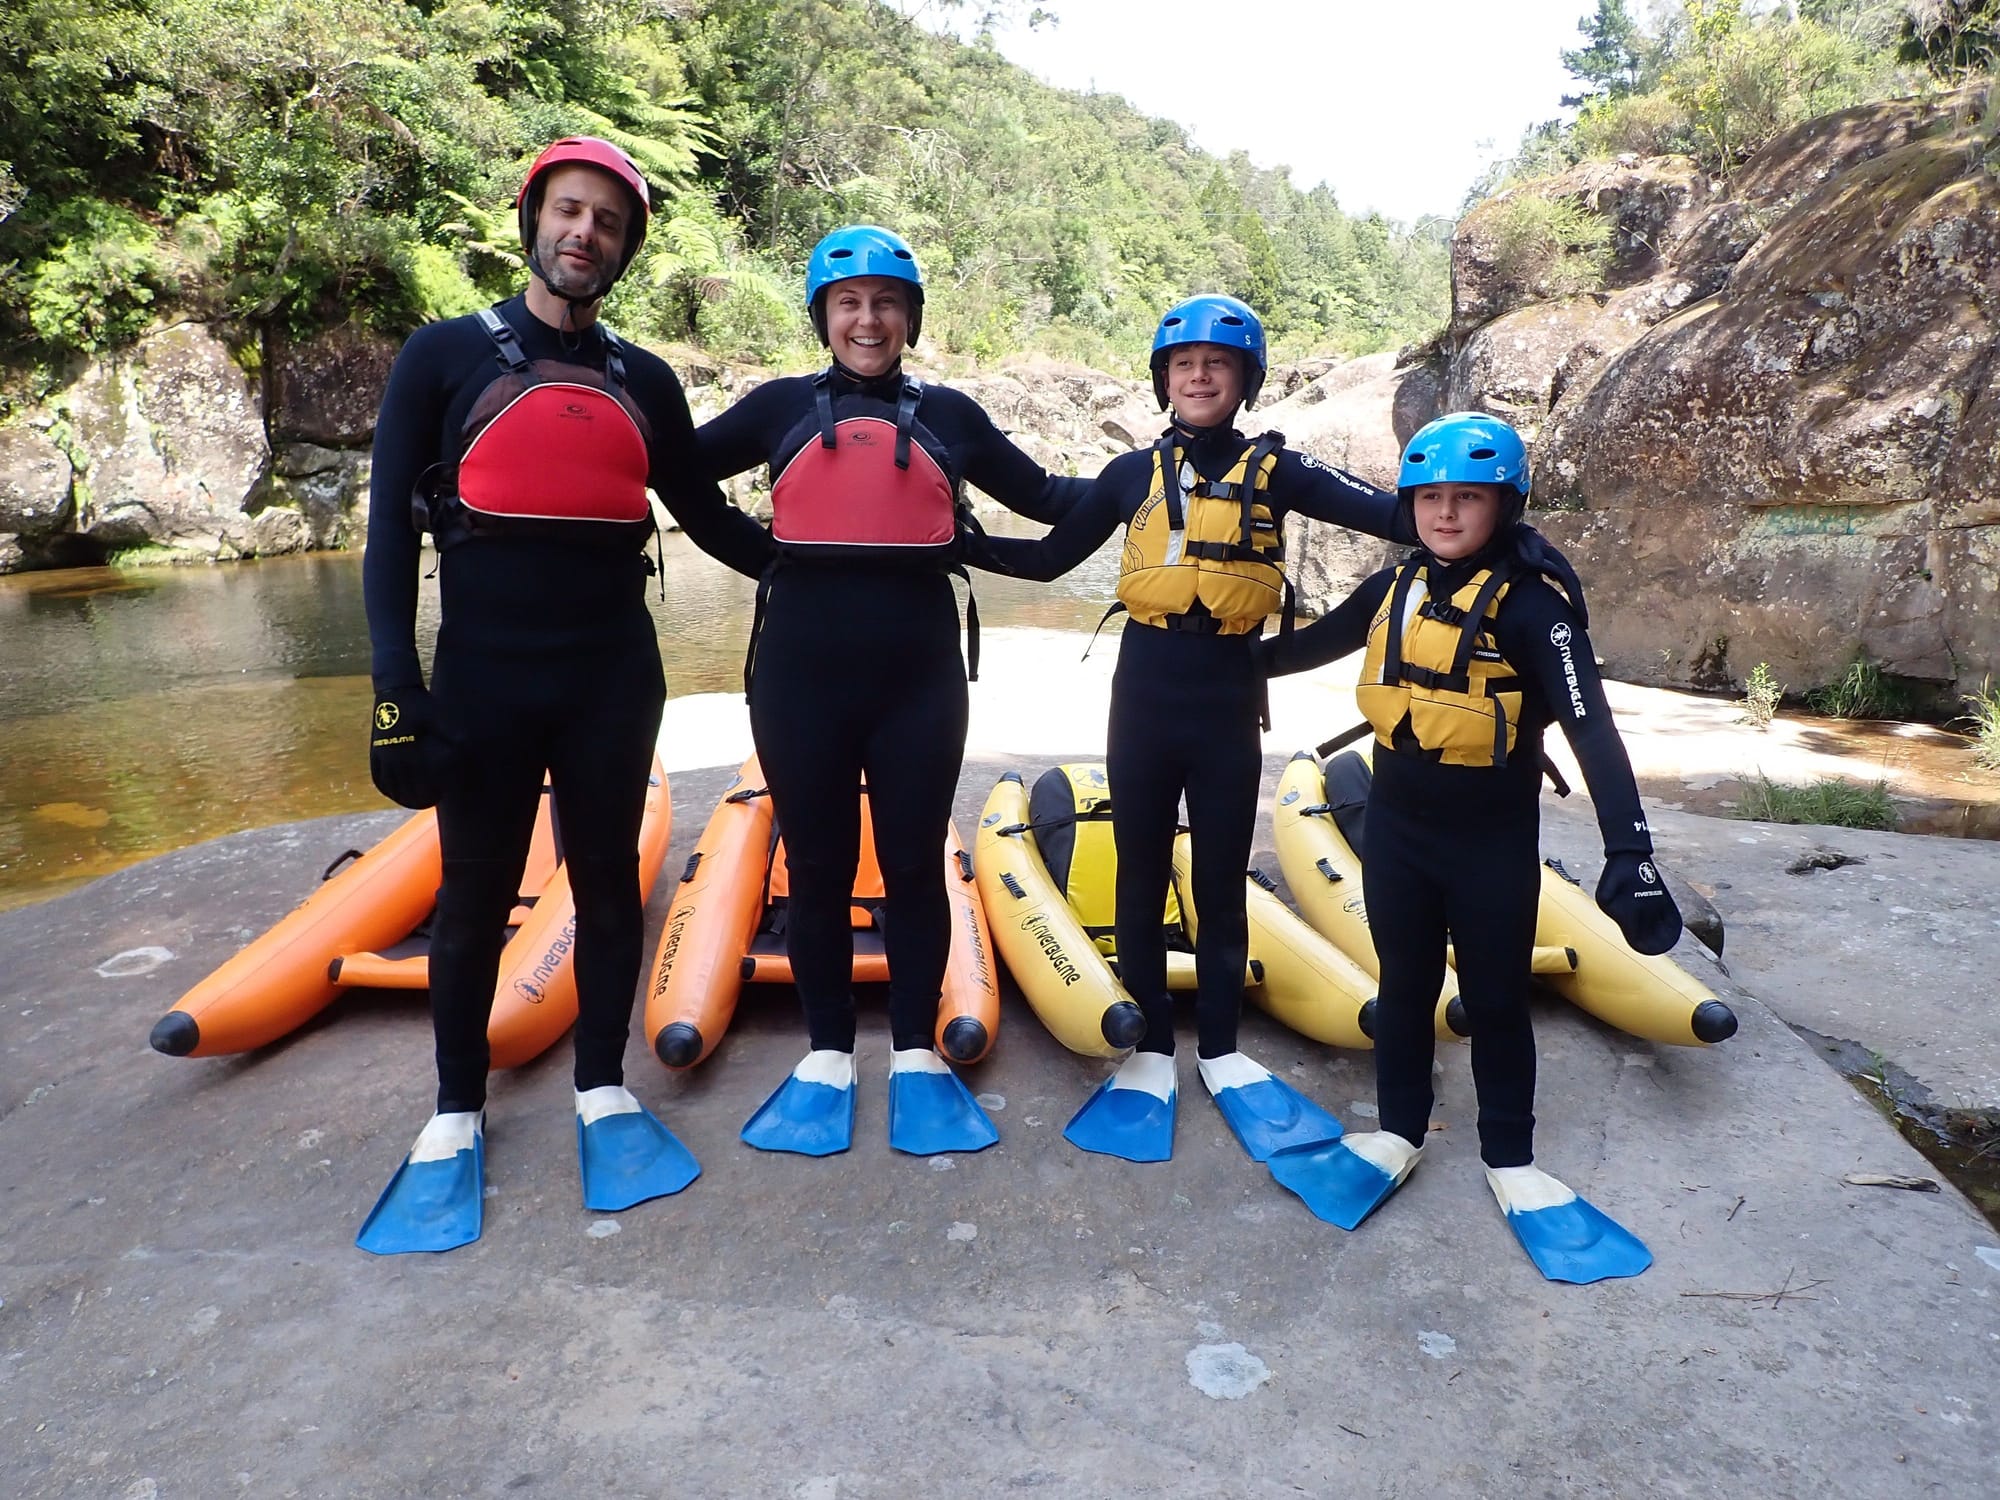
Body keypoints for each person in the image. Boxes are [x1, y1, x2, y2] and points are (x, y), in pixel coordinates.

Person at [356, 137, 774, 1254]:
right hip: (483, 678)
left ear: (624, 250)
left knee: (604, 885)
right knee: (473, 894)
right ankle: (455, 1110)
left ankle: (601, 1085)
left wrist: (815, 568)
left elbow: (706, 513)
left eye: (607, 223)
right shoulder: (443, 355)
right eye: (569, 212)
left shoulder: (646, 380)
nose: (584, 233)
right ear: (533, 218)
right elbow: (389, 537)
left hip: (609, 677)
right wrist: (395, 691)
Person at [973, 294, 1412, 1165]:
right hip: (1145, 689)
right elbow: (1049, 558)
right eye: (1185, 364)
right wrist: (953, 544)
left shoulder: (1280, 472)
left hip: (1226, 695)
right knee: (1139, 870)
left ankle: (1219, 1047)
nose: (1200, 376)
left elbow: (1403, 517)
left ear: (1245, 380)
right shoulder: (1129, 474)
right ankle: (1147, 1054)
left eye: (1218, 363)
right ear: (1163, 379)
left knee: (1218, 876)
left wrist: (1501, 536)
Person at [691, 224, 1088, 1158]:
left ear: (910, 316)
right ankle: (828, 1054)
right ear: (822, 316)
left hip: (919, 682)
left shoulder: (951, 416)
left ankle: (914, 1051)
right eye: (848, 303)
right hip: (799, 679)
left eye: (885, 303)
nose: (867, 320)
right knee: (819, 868)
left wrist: (1147, 478)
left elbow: (1047, 499)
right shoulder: (778, 407)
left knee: (912, 866)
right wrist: (764, 555)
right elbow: (673, 469)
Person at [1260, 411, 1684, 1285]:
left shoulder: (1534, 608)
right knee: (1405, 985)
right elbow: (1305, 648)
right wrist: (1196, 659)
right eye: (1431, 498)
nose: (1446, 514)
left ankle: (1511, 1157)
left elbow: (1593, 731)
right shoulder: (1395, 589)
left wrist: (1629, 851)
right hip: (1398, 833)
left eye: (1468, 498)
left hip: (1490, 842)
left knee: (1494, 998)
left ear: (1506, 504)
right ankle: (1396, 1132)